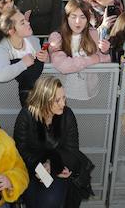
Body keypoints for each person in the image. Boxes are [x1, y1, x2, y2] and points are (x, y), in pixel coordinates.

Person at [14, 75, 93, 207]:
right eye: (57, 100)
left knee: (50, 201)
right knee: (33, 201)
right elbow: (20, 150)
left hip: (57, 168)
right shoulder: (26, 115)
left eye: (64, 98)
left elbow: (72, 150)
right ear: (43, 100)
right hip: (30, 168)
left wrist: (52, 165)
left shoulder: (67, 115)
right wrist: (39, 168)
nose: (63, 103)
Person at [47, 0, 111, 101]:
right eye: (73, 17)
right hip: (63, 95)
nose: (78, 22)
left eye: (83, 17)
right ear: (66, 18)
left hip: (90, 93)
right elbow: (64, 66)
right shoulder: (56, 37)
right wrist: (93, 59)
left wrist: (104, 52)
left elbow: (104, 63)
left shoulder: (93, 33)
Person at [0, 9, 48, 106]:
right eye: (22, 23)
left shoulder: (34, 41)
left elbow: (41, 70)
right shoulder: (1, 48)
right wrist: (23, 63)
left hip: (37, 99)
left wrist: (46, 58)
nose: (28, 22)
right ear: (11, 31)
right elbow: (0, 75)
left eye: (25, 20)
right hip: (7, 103)